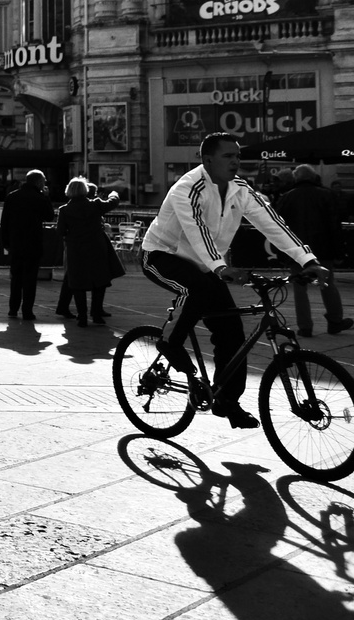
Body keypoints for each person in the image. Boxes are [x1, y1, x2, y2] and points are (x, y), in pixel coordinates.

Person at [141, 132, 329, 428]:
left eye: (238, 156)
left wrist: (308, 260)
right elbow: (196, 230)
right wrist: (219, 267)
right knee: (197, 289)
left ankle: (227, 401)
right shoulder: (187, 188)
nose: (236, 161)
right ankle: (169, 342)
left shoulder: (241, 190)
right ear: (207, 160)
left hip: (206, 265)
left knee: (232, 334)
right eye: (229, 156)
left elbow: (273, 225)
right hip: (162, 255)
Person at [273, 164, 350, 337]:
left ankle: (305, 326)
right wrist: (339, 251)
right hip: (323, 249)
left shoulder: (287, 197)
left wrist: (281, 253)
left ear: (296, 178)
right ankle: (335, 320)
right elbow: (334, 226)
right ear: (313, 177)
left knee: (300, 289)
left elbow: (278, 227)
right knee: (328, 284)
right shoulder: (326, 195)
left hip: (297, 251)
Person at [54, 178, 122, 326]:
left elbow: (60, 231)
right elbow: (112, 203)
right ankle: (97, 314)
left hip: (76, 250)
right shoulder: (95, 205)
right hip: (96, 247)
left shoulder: (64, 210)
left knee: (78, 283)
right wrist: (114, 194)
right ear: (85, 190)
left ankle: (82, 316)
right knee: (99, 281)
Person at [1, 170, 55, 319]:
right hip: (33, 244)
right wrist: (47, 197)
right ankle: (27, 310)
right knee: (30, 279)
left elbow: (4, 221)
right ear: (38, 182)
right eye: (43, 181)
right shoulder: (39, 198)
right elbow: (49, 216)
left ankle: (13, 309)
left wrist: (5, 241)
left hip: (16, 243)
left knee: (16, 277)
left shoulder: (12, 197)